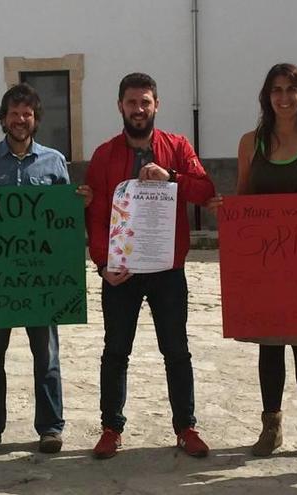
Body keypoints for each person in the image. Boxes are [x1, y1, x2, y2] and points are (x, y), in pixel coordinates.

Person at [206, 63, 297, 463]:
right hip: (264, 265)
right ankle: (271, 427)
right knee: (269, 349)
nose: (283, 98)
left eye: (291, 89)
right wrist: (225, 210)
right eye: (275, 90)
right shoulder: (252, 142)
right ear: (267, 97)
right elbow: (243, 196)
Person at [86, 72, 215, 459]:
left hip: (167, 270)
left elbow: (206, 191)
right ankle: (111, 428)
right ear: (120, 106)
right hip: (120, 271)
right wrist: (101, 264)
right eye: (131, 102)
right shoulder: (104, 154)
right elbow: (95, 215)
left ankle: (186, 427)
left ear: (156, 105)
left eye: (145, 102)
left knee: (177, 350)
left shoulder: (177, 146)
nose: (138, 109)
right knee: (115, 351)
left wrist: (171, 177)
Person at [0, 82, 92, 456]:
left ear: (35, 119)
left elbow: (64, 219)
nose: (20, 120)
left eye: (27, 114)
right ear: (3, 118)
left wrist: (79, 202)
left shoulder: (54, 161)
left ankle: (50, 427)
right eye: (14, 114)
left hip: (42, 280)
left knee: (46, 356)